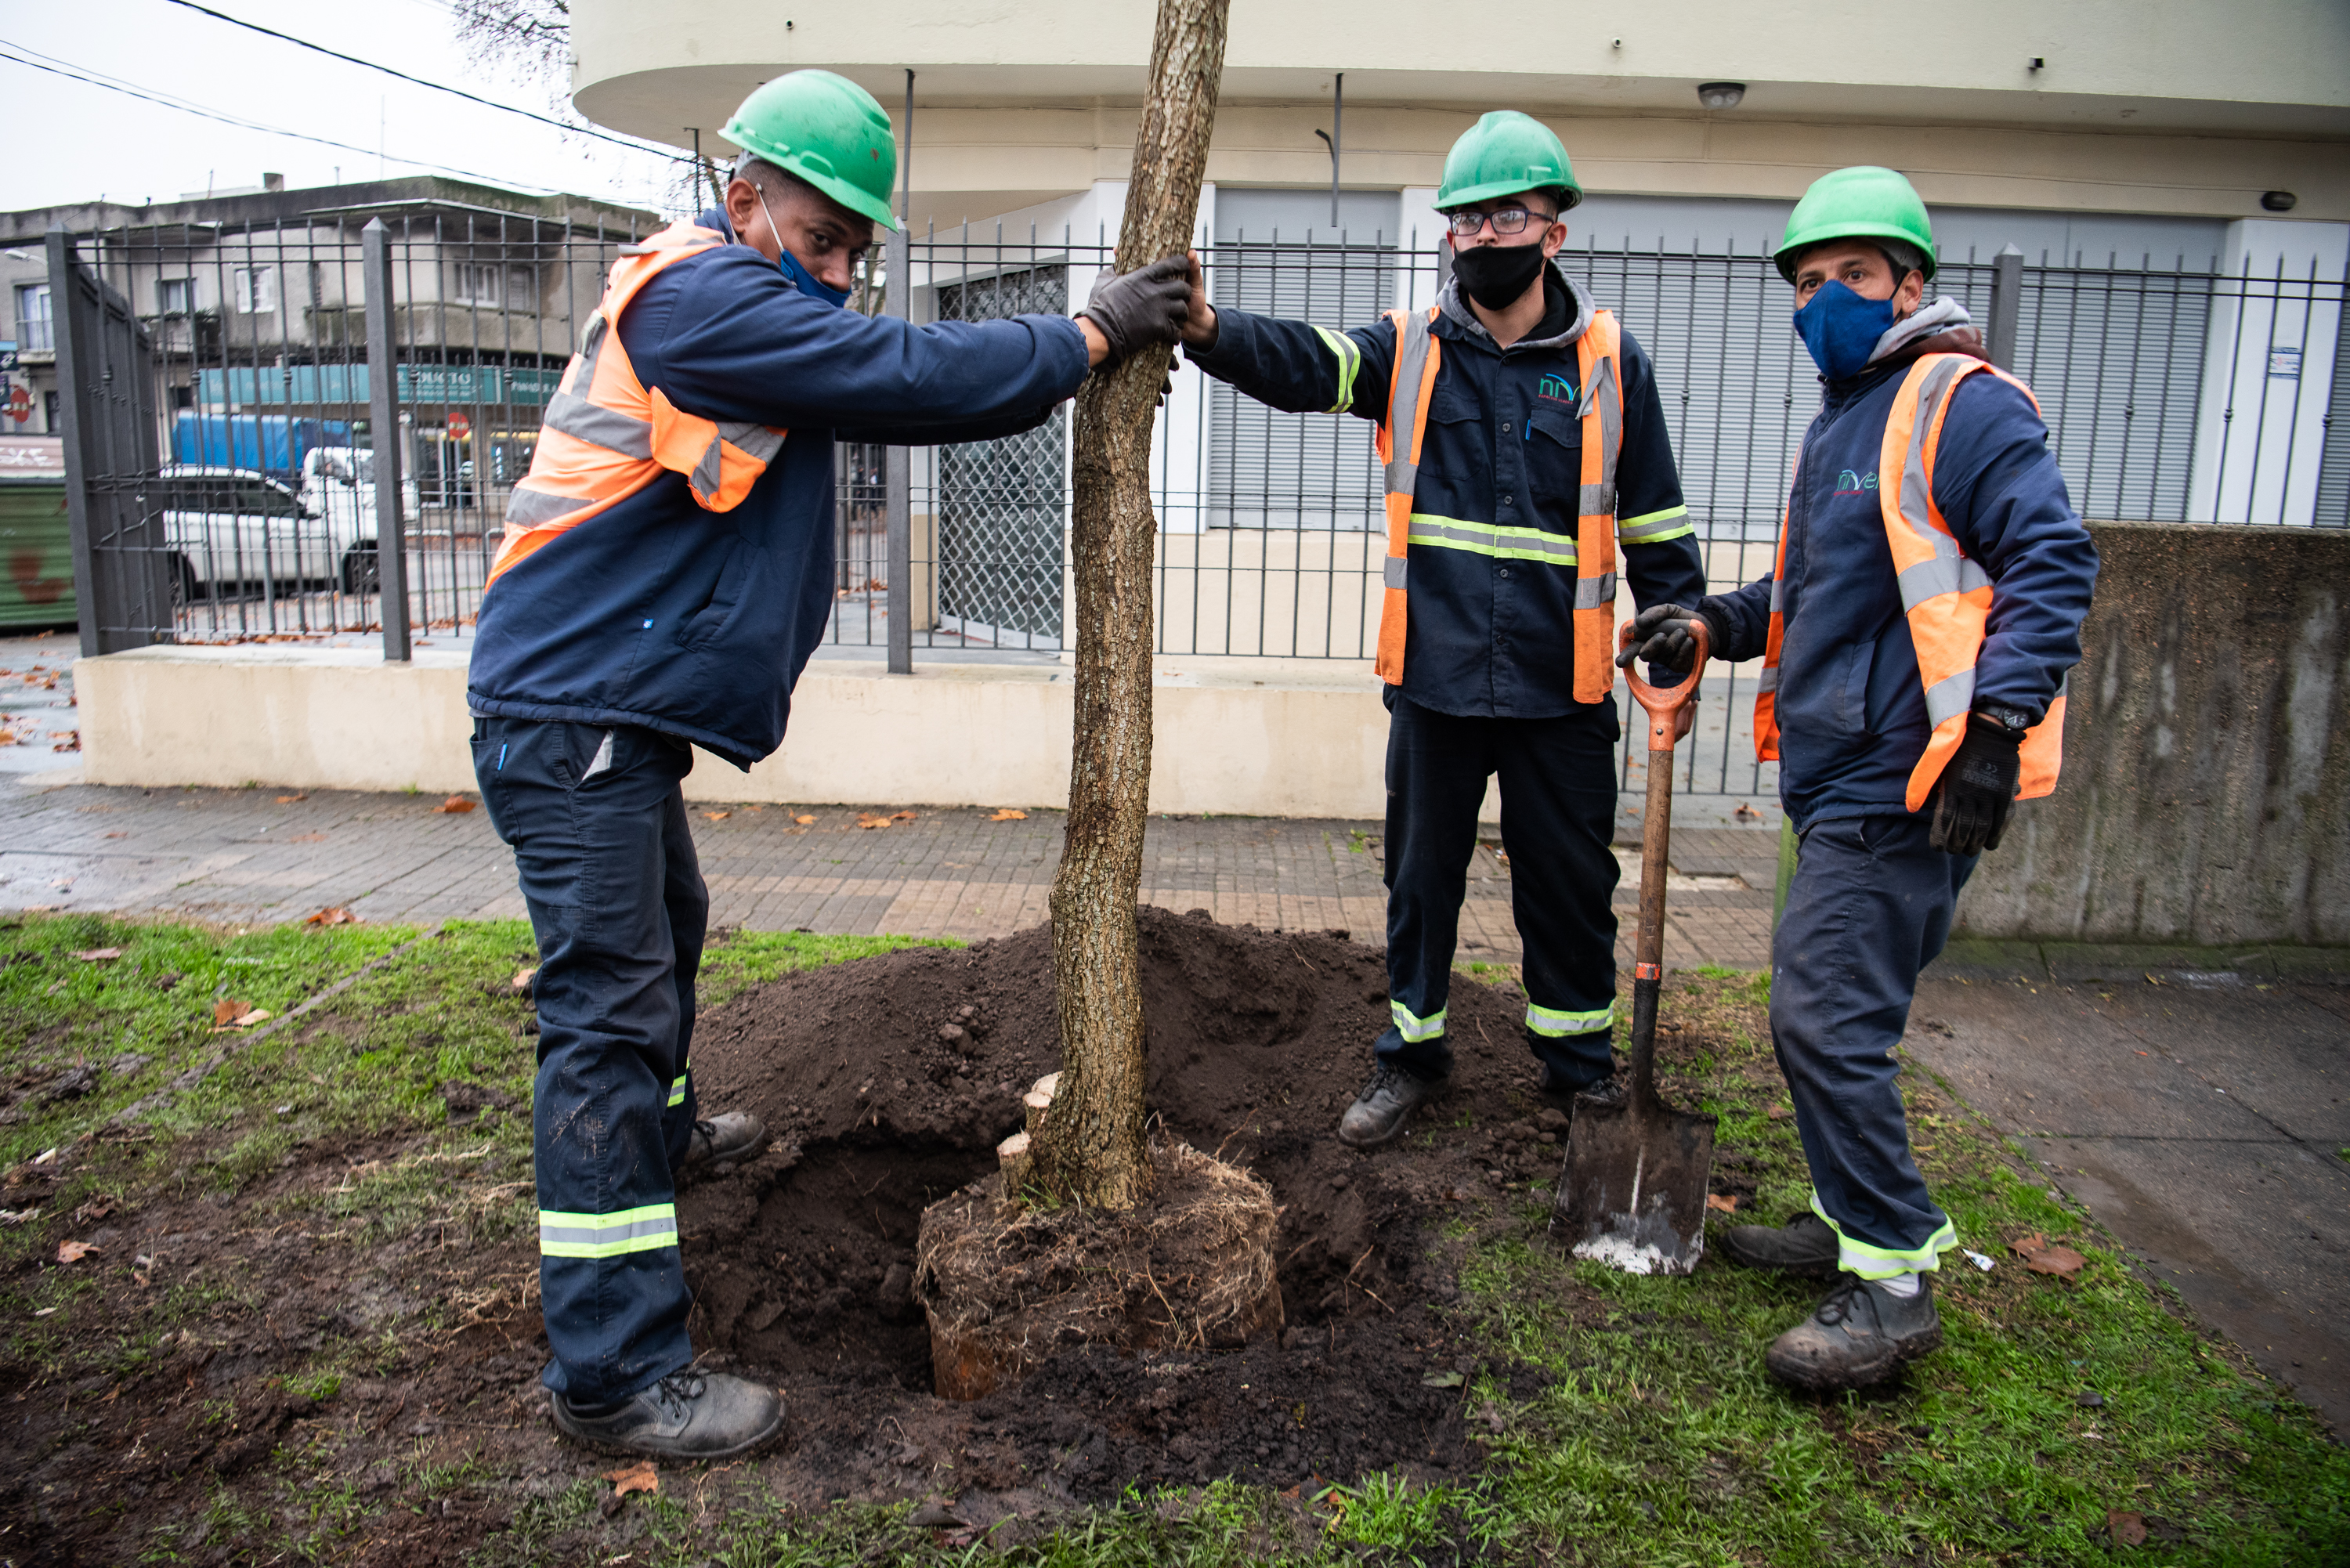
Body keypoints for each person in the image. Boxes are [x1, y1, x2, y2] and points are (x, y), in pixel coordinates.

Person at [465, 69, 1193, 1458]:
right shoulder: (698, 298)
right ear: (742, 200)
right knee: (607, 1016)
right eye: (822, 238)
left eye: (859, 247)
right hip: (570, 716)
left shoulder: (741, 294)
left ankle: (665, 1142)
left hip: (594, 708)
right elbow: (904, 376)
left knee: (664, 935)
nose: (844, 273)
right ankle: (614, 1372)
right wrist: (1091, 330)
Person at [1619, 166, 2098, 1393]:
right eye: (1810, 281)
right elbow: (1821, 597)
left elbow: (2052, 559)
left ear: (1912, 284)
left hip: (1909, 779)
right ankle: (1849, 1222)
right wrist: (1714, 625)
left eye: (1855, 276)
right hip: (1840, 779)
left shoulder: (1958, 402)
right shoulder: (1852, 415)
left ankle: (1891, 1288)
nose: (1827, 297)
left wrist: (1992, 732)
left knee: (1823, 1021)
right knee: (1833, 1017)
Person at [1177, 111, 1705, 1149]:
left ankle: (1581, 1074)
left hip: (1566, 689)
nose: (1480, 235)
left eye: (1506, 215)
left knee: (1571, 889)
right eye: (1463, 218)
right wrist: (1207, 330)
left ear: (1554, 232)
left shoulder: (1608, 362)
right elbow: (1308, 363)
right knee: (1421, 884)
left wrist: (1680, 624)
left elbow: (1654, 517)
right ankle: (1411, 1058)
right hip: (1437, 681)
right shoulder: (1411, 349)